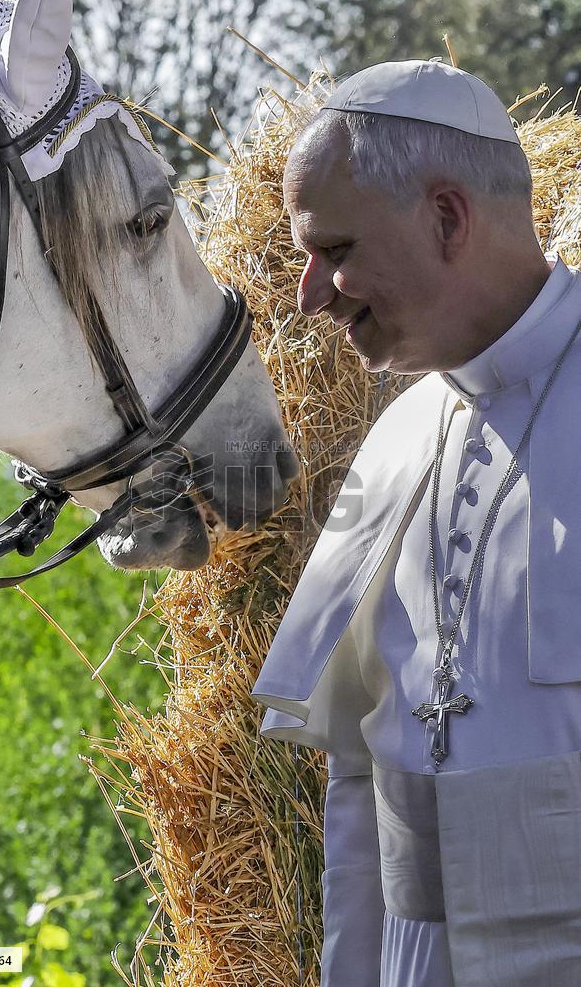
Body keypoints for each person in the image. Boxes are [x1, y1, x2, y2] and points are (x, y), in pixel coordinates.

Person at [251, 59, 581, 987]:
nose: (311, 294)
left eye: (335, 248)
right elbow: (361, 789)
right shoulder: (395, 442)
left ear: (447, 218)